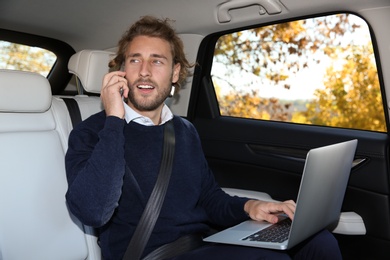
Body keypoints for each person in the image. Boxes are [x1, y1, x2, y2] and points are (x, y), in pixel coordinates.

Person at [65, 16, 343, 260]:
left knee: (318, 242)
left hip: (203, 244)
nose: (145, 70)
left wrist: (250, 206)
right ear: (121, 70)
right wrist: (114, 120)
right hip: (151, 254)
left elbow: (209, 198)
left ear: (175, 73)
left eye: (157, 61)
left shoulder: (183, 131)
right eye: (135, 59)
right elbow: (93, 211)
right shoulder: (93, 132)